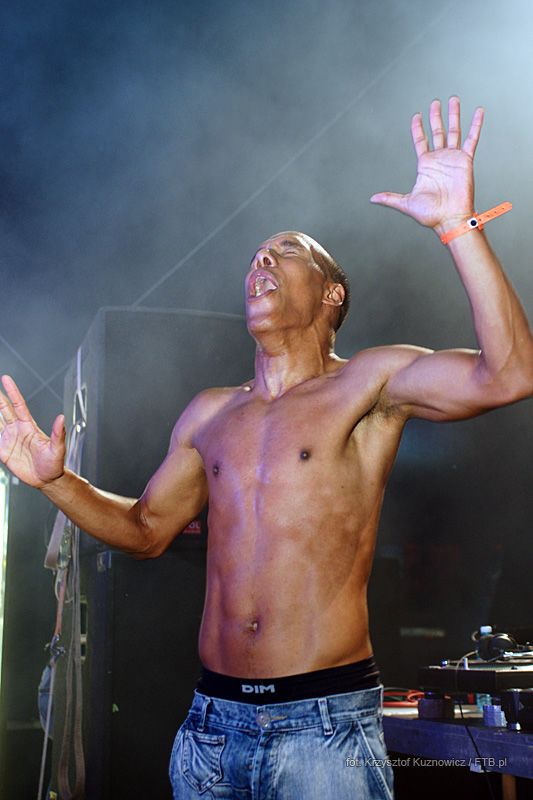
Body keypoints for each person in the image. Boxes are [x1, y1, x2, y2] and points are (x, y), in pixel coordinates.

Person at [0, 97, 532, 800]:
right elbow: (147, 530)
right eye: (257, 254)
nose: (262, 258)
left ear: (331, 294)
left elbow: (509, 374)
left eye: (287, 251)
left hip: (323, 727)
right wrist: (54, 482)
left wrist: (458, 229)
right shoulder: (210, 413)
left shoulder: (369, 383)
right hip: (212, 726)